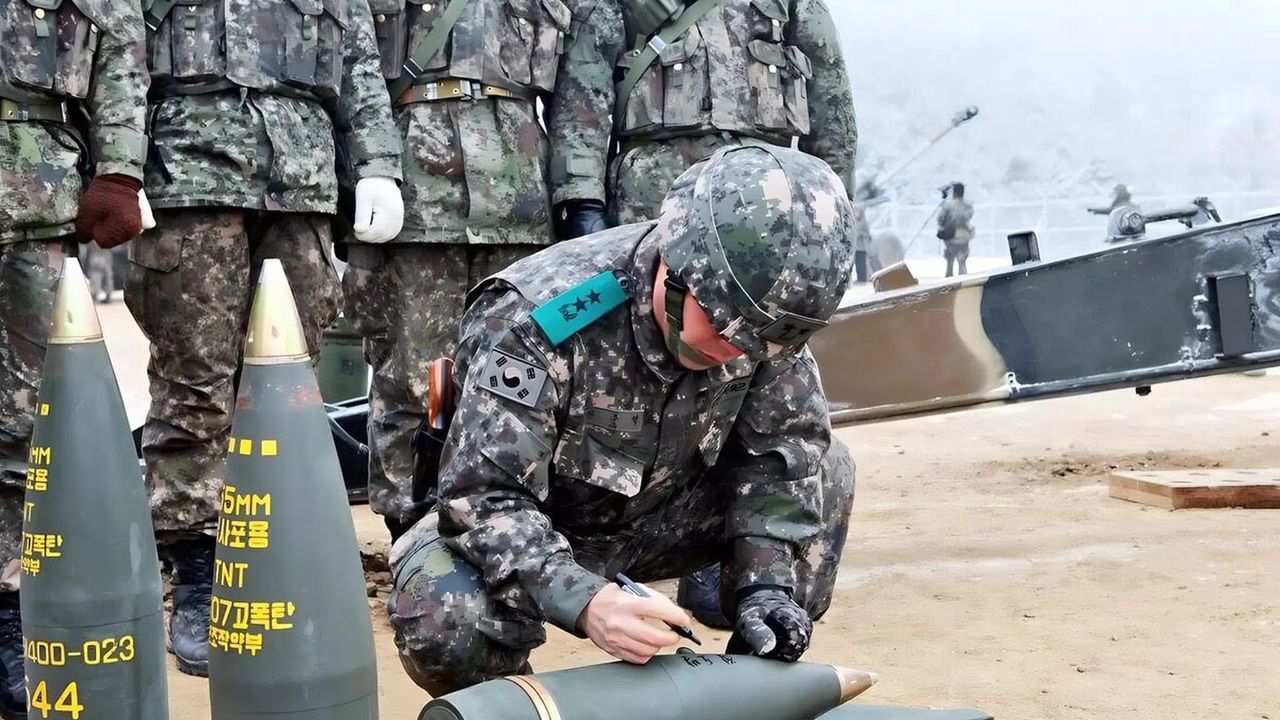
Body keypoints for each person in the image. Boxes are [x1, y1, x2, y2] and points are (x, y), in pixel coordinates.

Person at [387, 145, 857, 695]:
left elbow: (784, 455)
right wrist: (585, 601)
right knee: (445, 613)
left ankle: (736, 664)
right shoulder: (536, 320)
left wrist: (767, 588)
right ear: (677, 268)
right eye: (724, 329)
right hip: (543, 524)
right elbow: (482, 500)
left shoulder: (757, 321)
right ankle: (520, 707)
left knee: (827, 475)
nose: (736, 352)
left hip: (662, 515)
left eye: (759, 342)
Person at [129, 0, 404, 677]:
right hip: (186, 174)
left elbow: (360, 66)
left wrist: (377, 165)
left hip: (301, 182)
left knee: (290, 385)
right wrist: (117, 166)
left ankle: (279, 553)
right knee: (194, 381)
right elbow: (119, 63)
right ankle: (198, 574)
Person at [347, 0, 580, 540]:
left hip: (520, 194)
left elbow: (576, 97)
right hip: (414, 188)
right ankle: (411, 530)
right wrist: (370, 169)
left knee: (518, 378)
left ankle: (506, 523)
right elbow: (354, 73)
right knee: (412, 373)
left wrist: (576, 193)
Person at [0, 0, 150, 714]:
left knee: (29, 422)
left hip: (36, 195)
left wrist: (119, 171)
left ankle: (11, 610)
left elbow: (120, 56)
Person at [547, 0, 858, 233]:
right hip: (652, 204)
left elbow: (830, 96)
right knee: (656, 313)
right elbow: (583, 97)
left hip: (771, 194)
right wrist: (582, 203)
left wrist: (836, 196)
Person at [937, 182, 974, 277]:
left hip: (951, 236)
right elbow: (969, 217)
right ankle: (963, 278)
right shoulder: (968, 205)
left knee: (950, 262)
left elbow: (940, 219)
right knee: (962, 262)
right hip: (964, 235)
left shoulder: (948, 205)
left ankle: (949, 282)